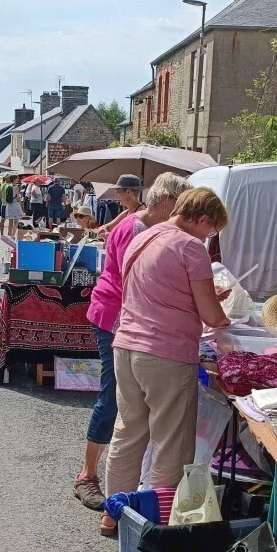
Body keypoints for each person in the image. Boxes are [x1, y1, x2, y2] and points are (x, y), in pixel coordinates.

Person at [99, 187, 231, 536]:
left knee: (128, 433)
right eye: (212, 229)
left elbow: (156, 289)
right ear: (202, 219)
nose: (210, 236)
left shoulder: (144, 235)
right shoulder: (191, 247)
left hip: (126, 346)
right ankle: (156, 528)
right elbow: (211, 316)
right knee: (171, 445)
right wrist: (224, 318)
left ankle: (114, 514)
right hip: (165, 354)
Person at [73, 173, 187, 510]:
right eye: (177, 206)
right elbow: (135, 280)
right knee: (112, 398)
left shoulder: (146, 226)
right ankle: (86, 474)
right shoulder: (134, 229)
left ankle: (126, 480)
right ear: (164, 199)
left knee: (124, 402)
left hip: (125, 318)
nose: (178, 214)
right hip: (114, 317)